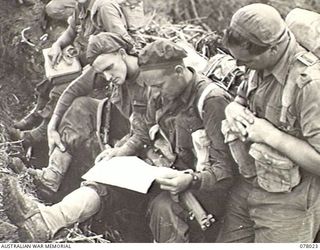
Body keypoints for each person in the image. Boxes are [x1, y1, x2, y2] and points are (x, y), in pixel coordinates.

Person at [3, 39, 238, 243]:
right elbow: (143, 133)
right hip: (165, 172)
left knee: (162, 208)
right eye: (150, 88)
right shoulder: (159, 90)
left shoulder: (211, 101)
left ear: (179, 71)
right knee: (106, 179)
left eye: (158, 86)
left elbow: (224, 171)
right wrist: (119, 153)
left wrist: (189, 179)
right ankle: (45, 222)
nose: (153, 94)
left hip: (200, 188)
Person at [216, 3, 320, 243]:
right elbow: (243, 95)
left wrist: (271, 136)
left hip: (290, 203)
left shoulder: (310, 85)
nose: (241, 66)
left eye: (247, 61)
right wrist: (234, 107)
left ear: (273, 49)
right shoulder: (258, 63)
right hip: (250, 186)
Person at [24, 32, 148, 200]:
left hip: (136, 141)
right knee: (80, 105)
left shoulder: (151, 78)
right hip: (113, 121)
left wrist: (121, 149)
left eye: (109, 68)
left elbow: (144, 133)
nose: (108, 77)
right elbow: (73, 90)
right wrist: (52, 127)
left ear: (121, 53)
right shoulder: (109, 63)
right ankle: (51, 178)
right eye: (102, 72)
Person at [13, 0, 141, 147]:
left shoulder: (104, 7)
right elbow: (71, 31)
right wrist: (58, 45)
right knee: (52, 75)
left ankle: (41, 132)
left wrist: (94, 66)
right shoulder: (82, 6)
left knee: (62, 89)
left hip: (107, 65)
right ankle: (37, 114)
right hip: (89, 58)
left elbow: (124, 41)